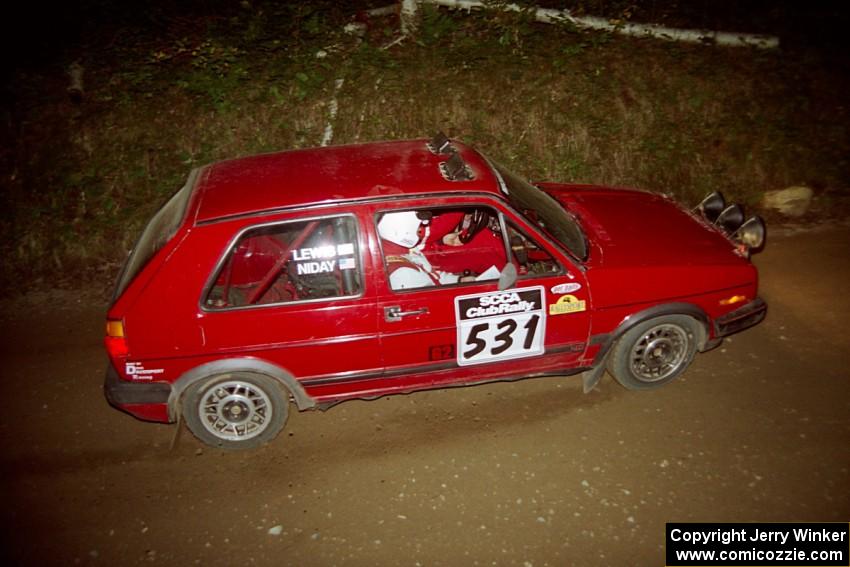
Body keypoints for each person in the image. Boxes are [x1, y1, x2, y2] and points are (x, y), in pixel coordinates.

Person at [377, 210, 506, 290]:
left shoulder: (407, 250)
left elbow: (433, 274)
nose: (423, 228)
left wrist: (459, 281)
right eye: (419, 227)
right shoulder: (404, 274)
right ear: (403, 231)